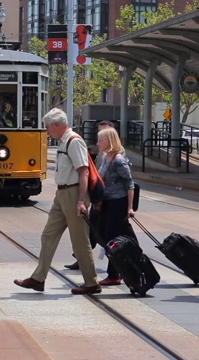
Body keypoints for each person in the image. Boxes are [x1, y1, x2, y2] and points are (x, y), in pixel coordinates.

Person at [14, 108, 101, 295]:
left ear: (57, 125)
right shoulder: (62, 142)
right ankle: (38, 279)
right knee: (48, 235)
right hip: (62, 194)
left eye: (47, 127)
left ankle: (91, 282)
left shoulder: (74, 141)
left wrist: (80, 201)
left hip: (74, 193)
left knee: (79, 240)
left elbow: (83, 172)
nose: (47, 131)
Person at [64, 120, 125, 271]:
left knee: (104, 231)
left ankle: (118, 264)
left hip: (111, 199)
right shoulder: (102, 153)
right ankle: (82, 258)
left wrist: (129, 206)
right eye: (98, 133)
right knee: (93, 228)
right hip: (101, 196)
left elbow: (127, 182)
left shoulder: (118, 154)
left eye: (103, 133)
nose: (98, 138)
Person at [95, 127, 136, 286]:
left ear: (109, 141)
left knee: (110, 237)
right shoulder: (105, 157)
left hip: (118, 202)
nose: (97, 143)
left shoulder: (119, 160)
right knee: (103, 235)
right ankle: (118, 267)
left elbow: (129, 184)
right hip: (106, 202)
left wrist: (130, 207)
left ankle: (114, 274)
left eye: (100, 140)